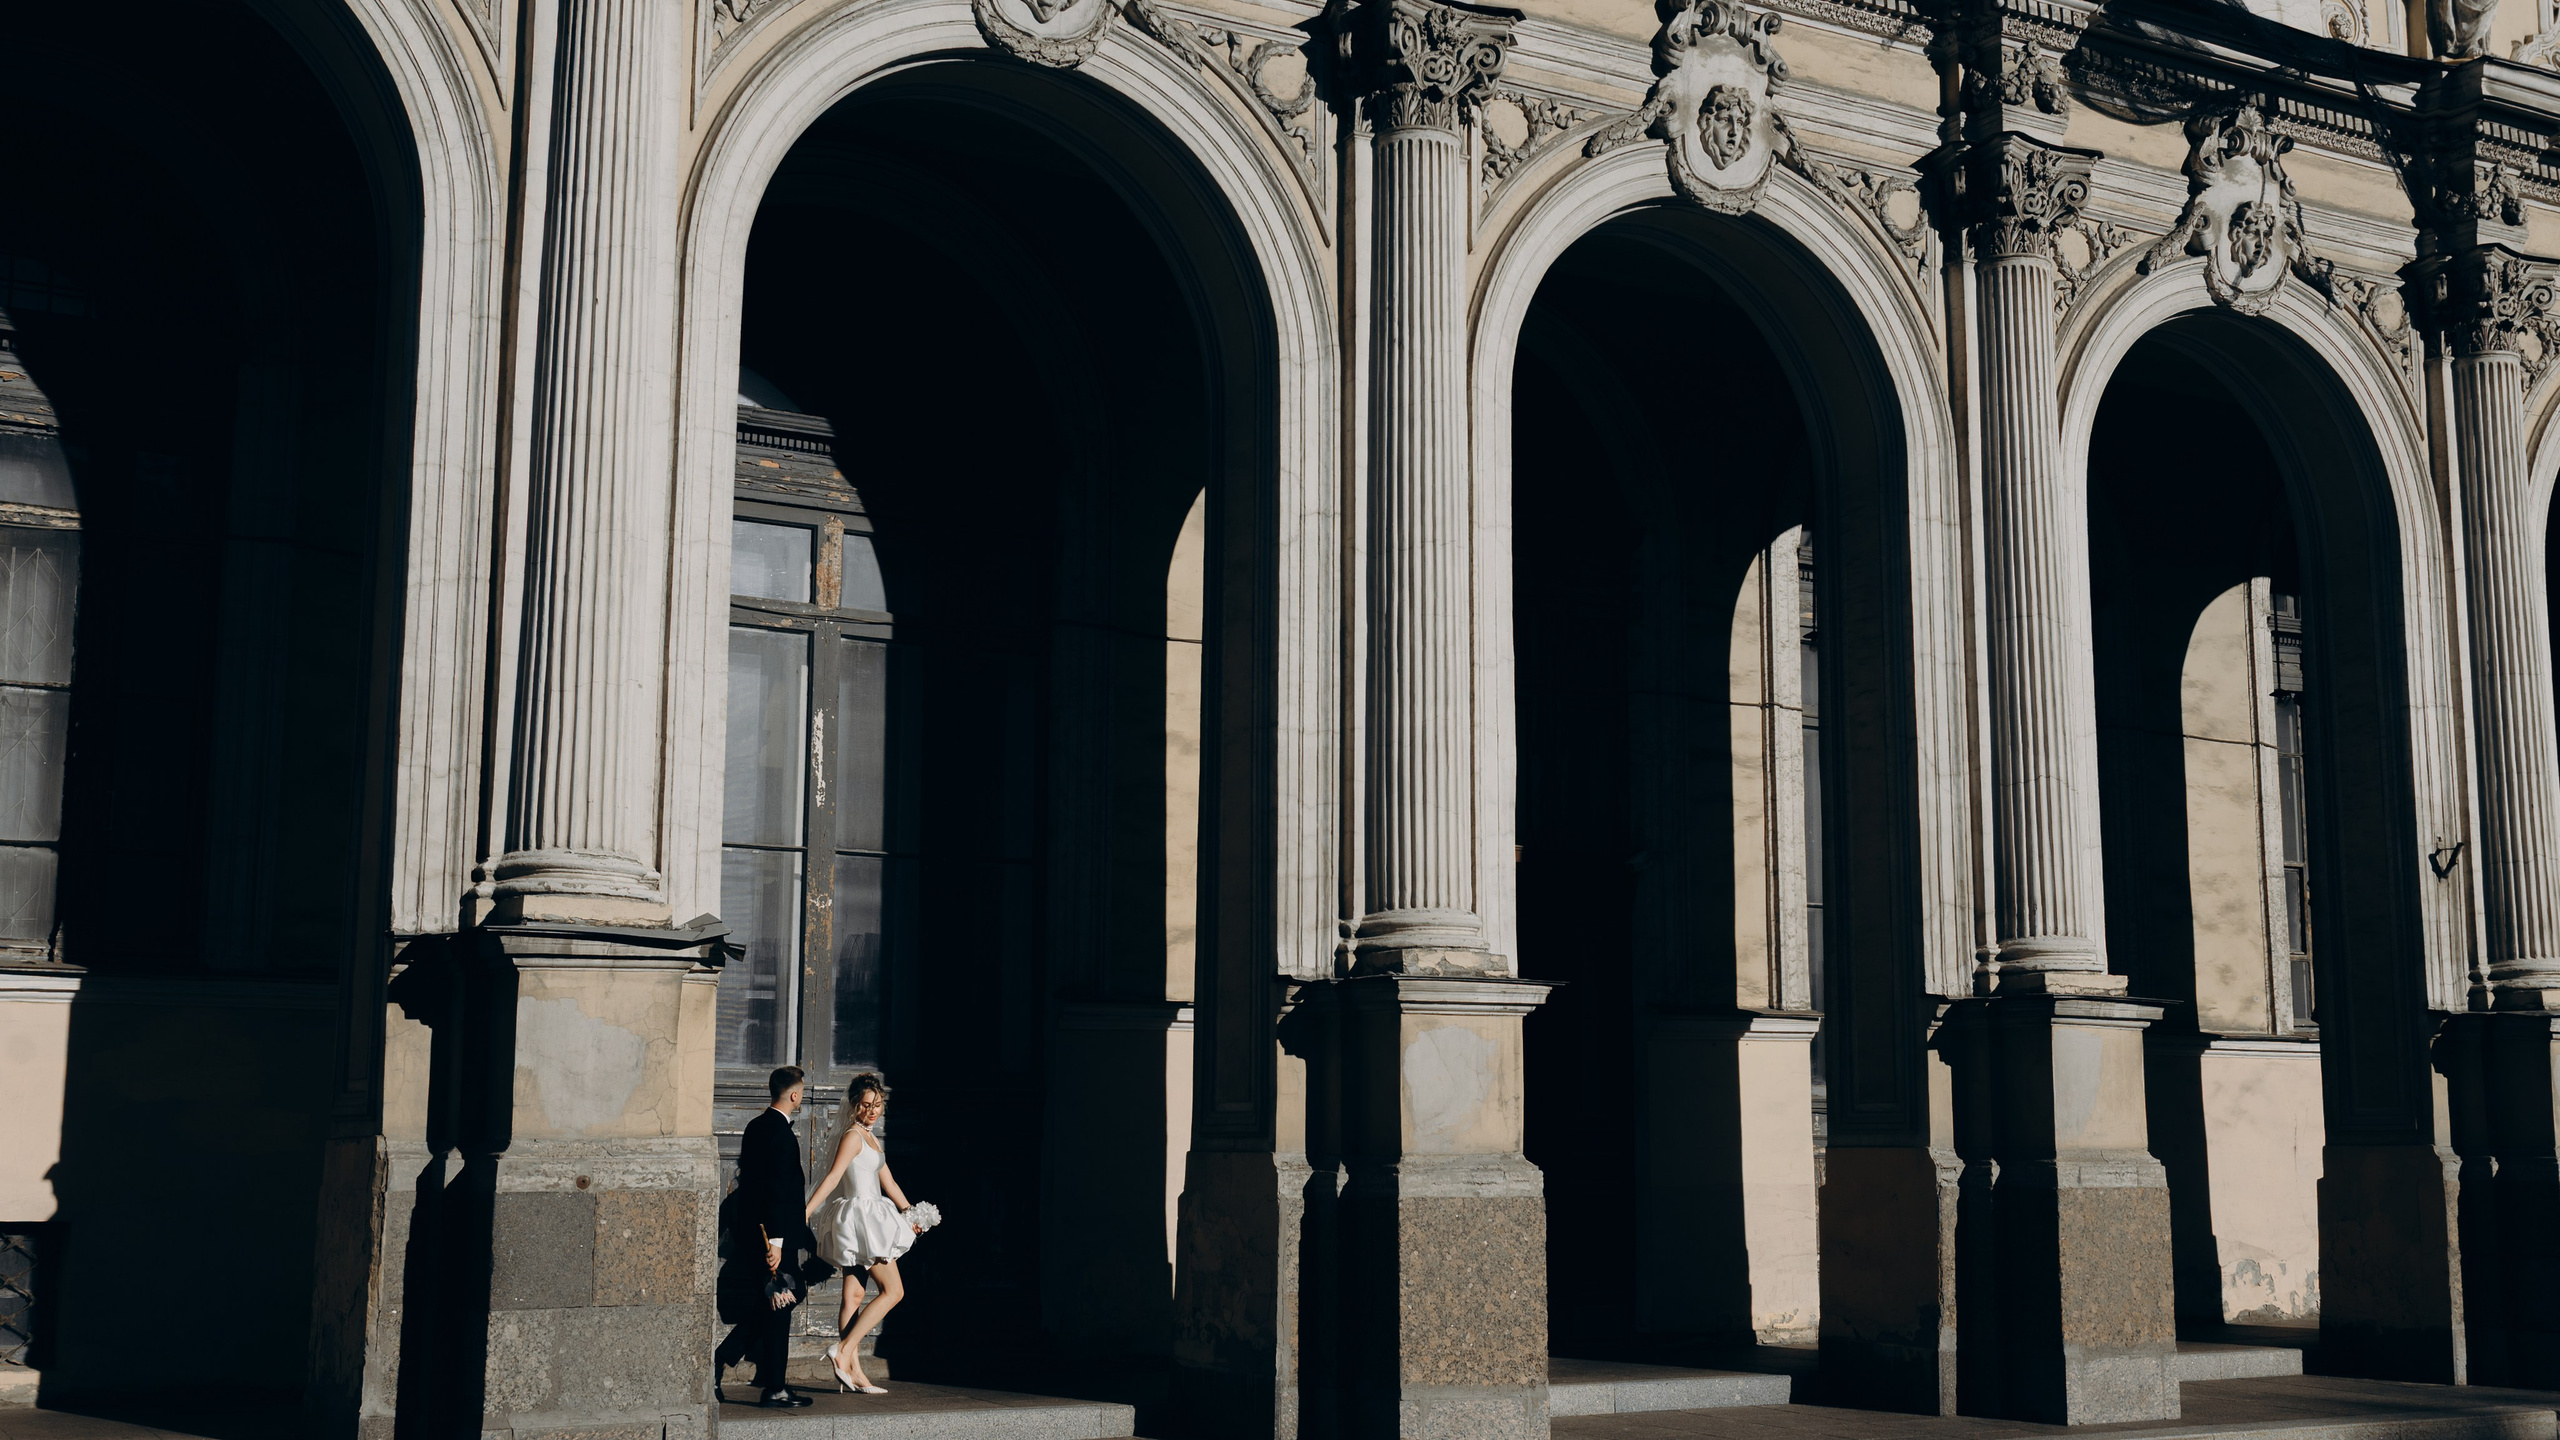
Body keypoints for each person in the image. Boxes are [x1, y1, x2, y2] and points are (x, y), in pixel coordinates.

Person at [714, 1065, 830, 1408]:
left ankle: (759, 1376)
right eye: (802, 1091)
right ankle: (770, 1384)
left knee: (778, 1303)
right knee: (782, 1300)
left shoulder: (755, 1127)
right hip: (772, 1240)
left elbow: (754, 1186)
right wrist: (777, 1244)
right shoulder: (780, 1134)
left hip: (761, 1234)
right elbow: (777, 1192)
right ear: (794, 1094)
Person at [806, 1073, 923, 1394]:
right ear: (854, 1106)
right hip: (864, 1219)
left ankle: (854, 1372)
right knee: (894, 1291)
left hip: (870, 1217)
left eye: (878, 1105)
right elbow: (832, 1179)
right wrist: (804, 1211)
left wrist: (915, 1215)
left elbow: (891, 1183)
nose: (872, 1111)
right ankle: (843, 1351)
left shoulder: (871, 1138)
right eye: (866, 1105)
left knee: (854, 1295)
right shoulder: (853, 1137)